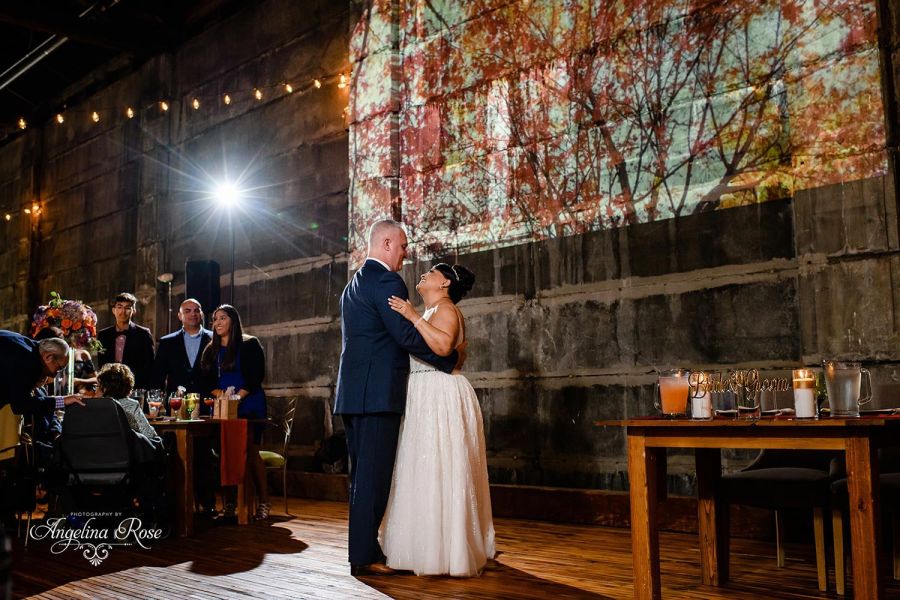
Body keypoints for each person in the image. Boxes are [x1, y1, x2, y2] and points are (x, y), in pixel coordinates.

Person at [333, 219, 458, 576]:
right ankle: (364, 556)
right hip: (377, 395)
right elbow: (404, 335)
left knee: (361, 477)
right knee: (374, 478)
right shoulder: (387, 281)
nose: (406, 253)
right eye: (402, 246)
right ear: (386, 243)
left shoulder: (352, 285)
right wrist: (446, 359)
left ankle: (363, 550)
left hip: (352, 395)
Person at [381, 263, 495, 576]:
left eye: (431, 272)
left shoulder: (445, 309)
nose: (423, 274)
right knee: (424, 467)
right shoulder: (432, 311)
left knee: (441, 466)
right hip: (424, 390)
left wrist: (412, 316)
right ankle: (423, 545)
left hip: (439, 391)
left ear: (444, 282)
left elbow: (444, 347)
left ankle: (448, 551)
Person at [200, 304, 270, 520]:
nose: (217, 323)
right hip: (224, 405)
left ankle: (264, 503)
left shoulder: (249, 344)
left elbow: (256, 376)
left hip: (249, 403)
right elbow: (206, 379)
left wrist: (236, 398)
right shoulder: (210, 349)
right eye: (215, 319)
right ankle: (230, 504)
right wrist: (221, 395)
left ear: (233, 321)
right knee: (224, 451)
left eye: (222, 318)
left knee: (250, 450)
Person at [0, 330, 84, 414]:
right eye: (58, 368)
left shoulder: (30, 345)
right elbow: (20, 406)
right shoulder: (31, 364)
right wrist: (62, 401)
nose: (55, 375)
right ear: (48, 357)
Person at [152, 298, 213, 403]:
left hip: (207, 403)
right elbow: (158, 377)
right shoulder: (167, 342)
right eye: (187, 311)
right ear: (180, 316)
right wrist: (157, 403)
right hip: (177, 404)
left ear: (202, 315)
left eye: (197, 310)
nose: (193, 314)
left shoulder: (214, 339)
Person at [97, 292, 155, 389]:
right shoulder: (104, 335)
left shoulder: (143, 334)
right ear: (113, 310)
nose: (123, 311)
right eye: (119, 307)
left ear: (133, 311)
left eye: (127, 308)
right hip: (110, 387)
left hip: (136, 387)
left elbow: (150, 366)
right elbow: (102, 365)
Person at [95, 363, 159, 442]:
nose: (95, 390)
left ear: (105, 388)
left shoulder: (94, 406)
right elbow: (150, 435)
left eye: (97, 386)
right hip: (126, 452)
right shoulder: (131, 405)